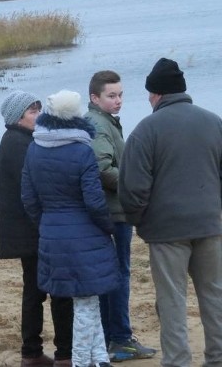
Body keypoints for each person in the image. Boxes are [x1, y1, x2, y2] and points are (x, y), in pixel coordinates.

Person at [118, 58, 222, 367]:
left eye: (149, 93)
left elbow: (133, 188)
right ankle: (217, 357)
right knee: (215, 295)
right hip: (209, 225)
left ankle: (177, 361)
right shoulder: (214, 122)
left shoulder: (145, 130)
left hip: (166, 232)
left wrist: (140, 220)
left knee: (173, 299)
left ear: (156, 93)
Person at [21, 90, 120, 367]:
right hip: (85, 235)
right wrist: (108, 227)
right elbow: (94, 201)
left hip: (52, 234)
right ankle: (79, 361)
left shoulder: (34, 148)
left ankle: (100, 358)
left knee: (85, 302)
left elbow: (29, 198)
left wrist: (47, 225)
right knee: (87, 304)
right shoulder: (82, 150)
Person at [0, 90, 73, 367]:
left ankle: (34, 352)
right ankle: (61, 354)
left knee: (36, 292)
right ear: (18, 117)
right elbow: (37, 187)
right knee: (56, 292)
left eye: (40, 109)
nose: (38, 115)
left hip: (31, 232)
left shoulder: (22, 140)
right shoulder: (18, 144)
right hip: (35, 233)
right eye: (32, 111)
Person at [83, 70, 156, 362]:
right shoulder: (99, 125)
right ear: (94, 98)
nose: (118, 101)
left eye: (121, 95)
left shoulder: (104, 122)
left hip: (110, 211)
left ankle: (112, 337)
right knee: (118, 275)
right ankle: (121, 340)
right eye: (111, 96)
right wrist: (134, 185)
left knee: (112, 275)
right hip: (114, 213)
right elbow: (102, 169)